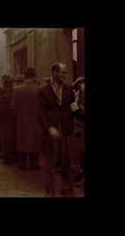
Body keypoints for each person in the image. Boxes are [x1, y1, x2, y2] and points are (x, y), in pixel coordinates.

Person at [37, 62, 83, 197]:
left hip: (65, 131)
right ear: (54, 73)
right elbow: (39, 113)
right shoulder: (43, 91)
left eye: (66, 73)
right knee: (51, 162)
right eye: (63, 72)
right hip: (52, 132)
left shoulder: (69, 90)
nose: (65, 75)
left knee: (66, 162)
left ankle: (67, 189)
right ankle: (50, 189)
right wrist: (49, 128)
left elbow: (73, 109)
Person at [11, 67, 42, 170]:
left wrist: (18, 114)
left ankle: (22, 164)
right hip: (35, 118)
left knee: (22, 141)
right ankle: (33, 165)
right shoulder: (39, 89)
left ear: (25, 76)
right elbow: (42, 106)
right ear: (33, 76)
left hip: (21, 118)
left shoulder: (17, 89)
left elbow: (13, 106)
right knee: (34, 141)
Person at [0, 74, 17, 164]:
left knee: (5, 137)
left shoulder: (0, 90)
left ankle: (8, 158)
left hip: (3, 116)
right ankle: (14, 157)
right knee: (13, 136)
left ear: (5, 82)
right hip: (13, 116)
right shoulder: (15, 89)